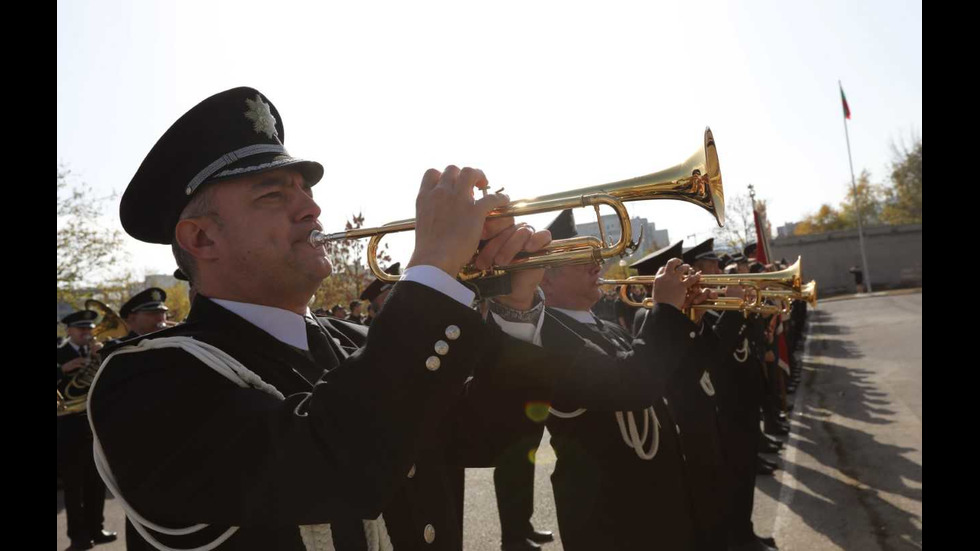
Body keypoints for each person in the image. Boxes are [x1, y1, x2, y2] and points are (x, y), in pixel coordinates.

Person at [88, 87, 705, 551]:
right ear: (201, 238)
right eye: (273, 195)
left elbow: (484, 438)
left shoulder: (356, 342)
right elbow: (337, 462)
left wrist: (513, 305)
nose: (311, 209)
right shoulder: (146, 380)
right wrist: (433, 272)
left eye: (305, 191)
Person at [486, 210, 726, 550]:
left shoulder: (607, 328)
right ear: (545, 278)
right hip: (615, 522)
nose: (596, 265)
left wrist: (689, 320)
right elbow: (633, 386)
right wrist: (667, 313)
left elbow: (668, 383)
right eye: (582, 259)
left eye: (594, 257)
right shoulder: (545, 338)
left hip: (658, 508)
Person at [58, 310, 117, 550]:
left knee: (96, 481)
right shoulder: (60, 353)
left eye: (89, 328)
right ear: (68, 331)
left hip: (94, 427)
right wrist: (63, 369)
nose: (86, 332)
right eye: (81, 328)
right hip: (67, 428)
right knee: (74, 486)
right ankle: (77, 536)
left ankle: (97, 528)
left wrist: (100, 359)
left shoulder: (100, 350)